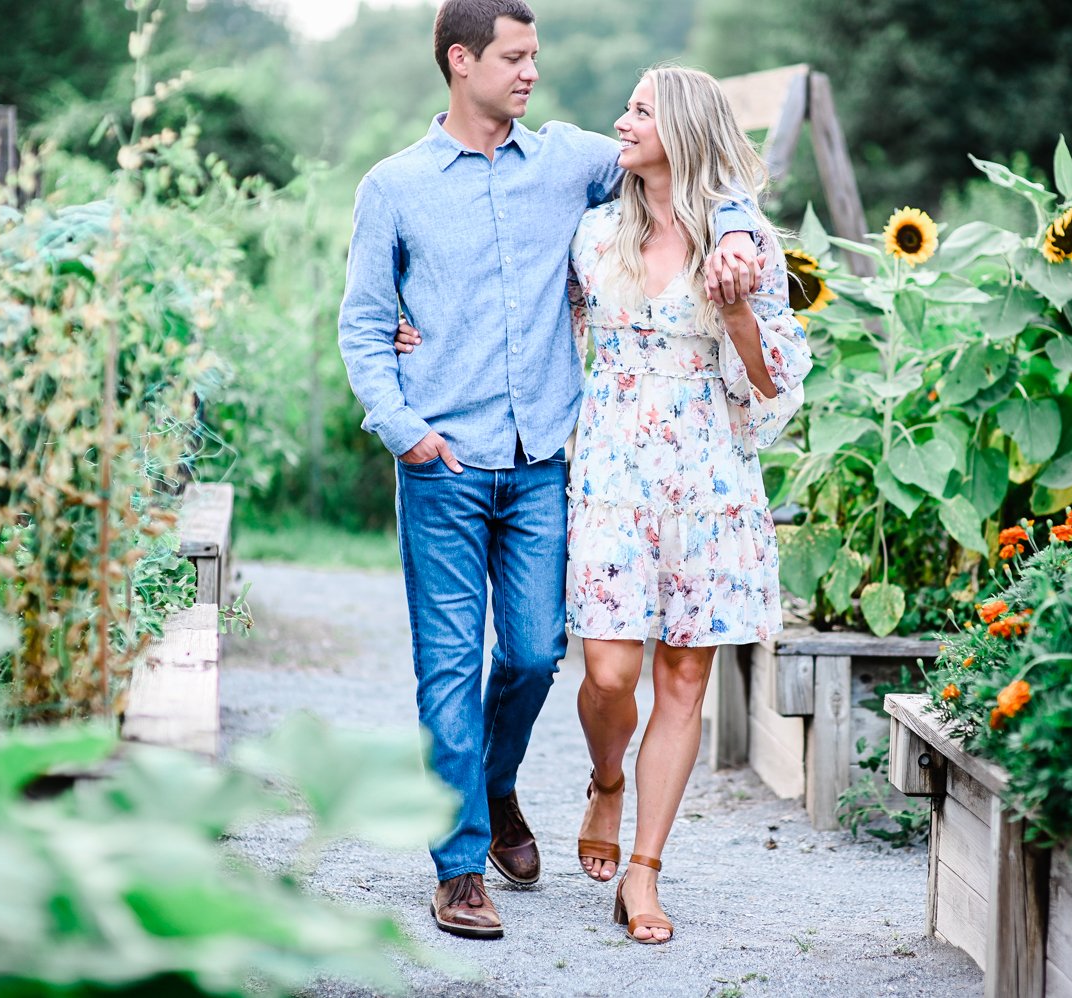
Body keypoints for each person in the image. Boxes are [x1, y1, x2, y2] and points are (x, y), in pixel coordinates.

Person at [337, 0, 764, 941]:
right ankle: (458, 867)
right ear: (461, 60)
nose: (532, 72)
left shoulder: (570, 159)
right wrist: (403, 427)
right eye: (515, 57)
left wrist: (734, 226)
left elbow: (694, 158)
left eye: (536, 56)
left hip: (543, 465)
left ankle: (493, 783)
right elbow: (365, 325)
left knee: (534, 654)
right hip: (441, 461)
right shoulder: (396, 186)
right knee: (447, 666)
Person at [564, 66, 811, 944]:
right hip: (611, 477)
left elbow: (775, 385)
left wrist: (738, 310)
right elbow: (539, 334)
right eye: (625, 104)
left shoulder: (744, 248)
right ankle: (606, 780)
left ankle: (644, 873)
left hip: (707, 478)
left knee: (682, 676)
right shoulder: (594, 236)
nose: (622, 120)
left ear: (684, 130)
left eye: (639, 110)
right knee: (608, 672)